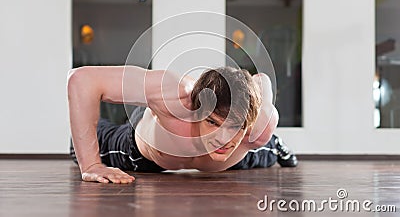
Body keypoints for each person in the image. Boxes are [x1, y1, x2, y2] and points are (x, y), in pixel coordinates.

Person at [68, 65, 297, 184]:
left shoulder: (260, 126)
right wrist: (90, 166)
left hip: (232, 159)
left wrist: (260, 102)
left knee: (265, 147)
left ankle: (275, 144)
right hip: (144, 151)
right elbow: (82, 79)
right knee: (78, 146)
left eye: (235, 127)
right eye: (212, 122)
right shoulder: (174, 98)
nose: (223, 138)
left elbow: (262, 79)